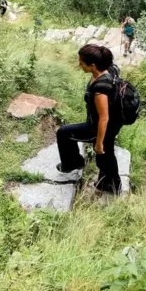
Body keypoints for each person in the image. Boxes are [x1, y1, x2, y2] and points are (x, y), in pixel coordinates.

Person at [56, 45, 123, 194]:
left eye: (81, 62)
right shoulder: (109, 70)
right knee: (106, 157)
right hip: (111, 125)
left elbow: (103, 118)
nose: (79, 65)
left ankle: (74, 164)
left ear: (93, 66)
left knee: (63, 133)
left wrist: (98, 142)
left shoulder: (100, 89)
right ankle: (108, 185)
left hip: (98, 127)